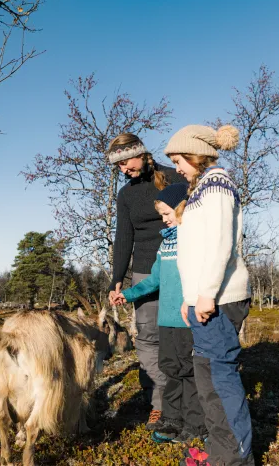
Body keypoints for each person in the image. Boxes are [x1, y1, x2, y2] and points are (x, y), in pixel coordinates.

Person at [164, 124, 254, 466]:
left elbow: (219, 243)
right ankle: (221, 453)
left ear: (197, 154)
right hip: (204, 298)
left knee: (218, 383)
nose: (176, 167)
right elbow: (193, 252)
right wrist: (190, 298)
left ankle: (234, 460)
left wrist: (206, 295)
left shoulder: (217, 183)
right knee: (207, 381)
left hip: (219, 297)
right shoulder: (201, 188)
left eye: (179, 159)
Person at [110, 182, 207, 445]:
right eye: (162, 215)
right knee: (170, 370)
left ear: (182, 209)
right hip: (166, 321)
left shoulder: (196, 242)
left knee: (188, 372)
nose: (163, 220)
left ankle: (194, 423)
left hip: (188, 321)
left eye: (166, 214)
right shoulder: (165, 245)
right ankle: (172, 418)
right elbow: (154, 280)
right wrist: (127, 294)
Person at [107, 133, 184, 430]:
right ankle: (158, 403)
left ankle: (186, 397)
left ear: (141, 153)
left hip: (180, 264)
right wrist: (117, 278)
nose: (124, 169)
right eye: (118, 167)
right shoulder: (125, 195)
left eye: (126, 161)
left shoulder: (176, 176)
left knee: (181, 334)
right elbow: (124, 237)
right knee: (149, 336)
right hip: (143, 270)